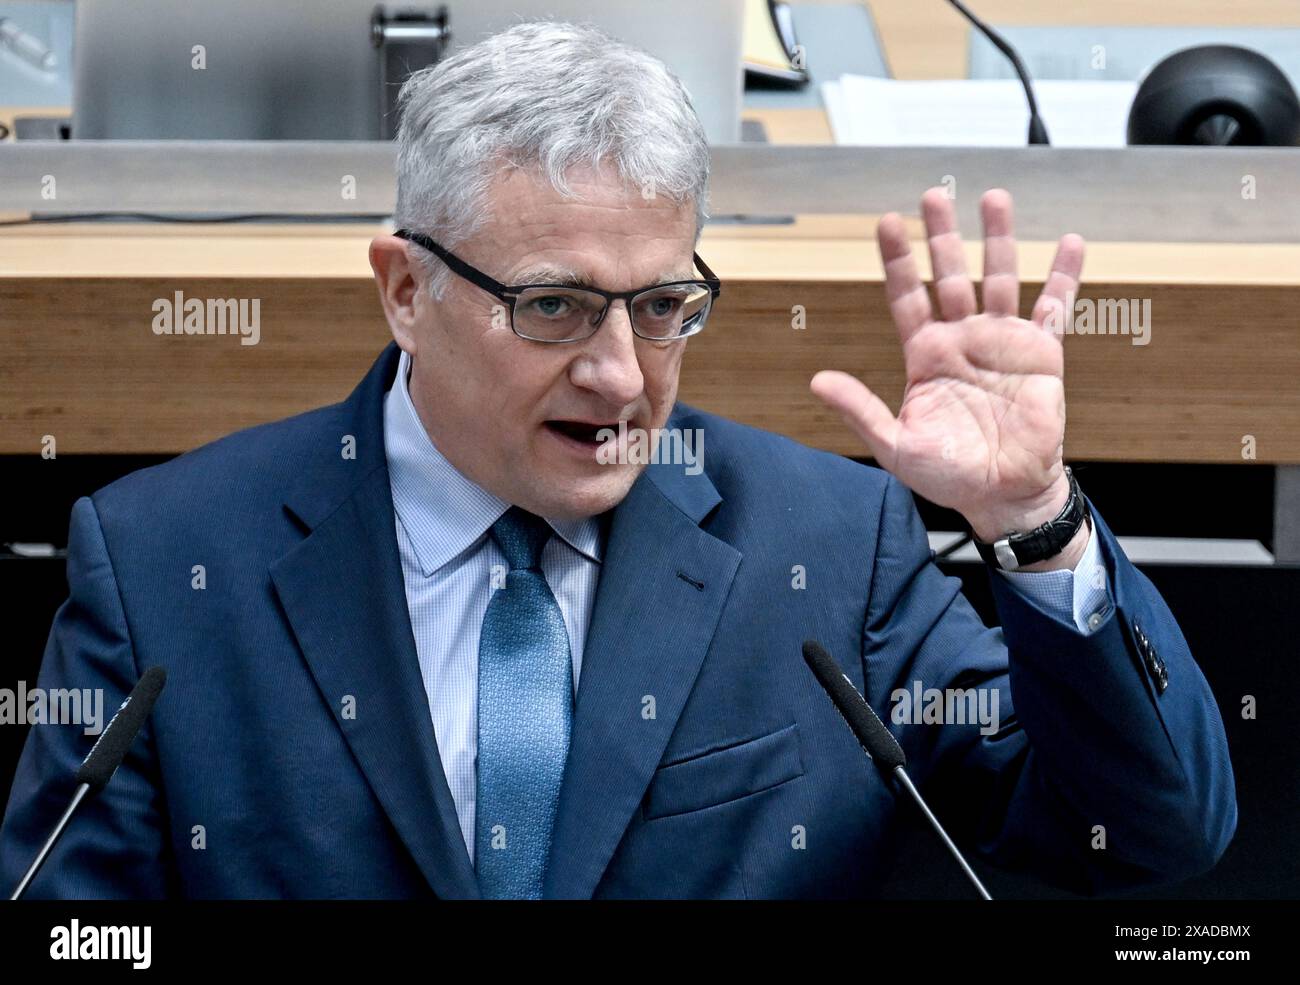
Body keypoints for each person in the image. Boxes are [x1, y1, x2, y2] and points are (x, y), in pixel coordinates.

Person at [0, 22, 1234, 899]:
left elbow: (1137, 837)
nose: (620, 374)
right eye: (552, 308)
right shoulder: (167, 561)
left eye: (661, 306)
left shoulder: (823, 550)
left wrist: (1032, 517)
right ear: (405, 289)